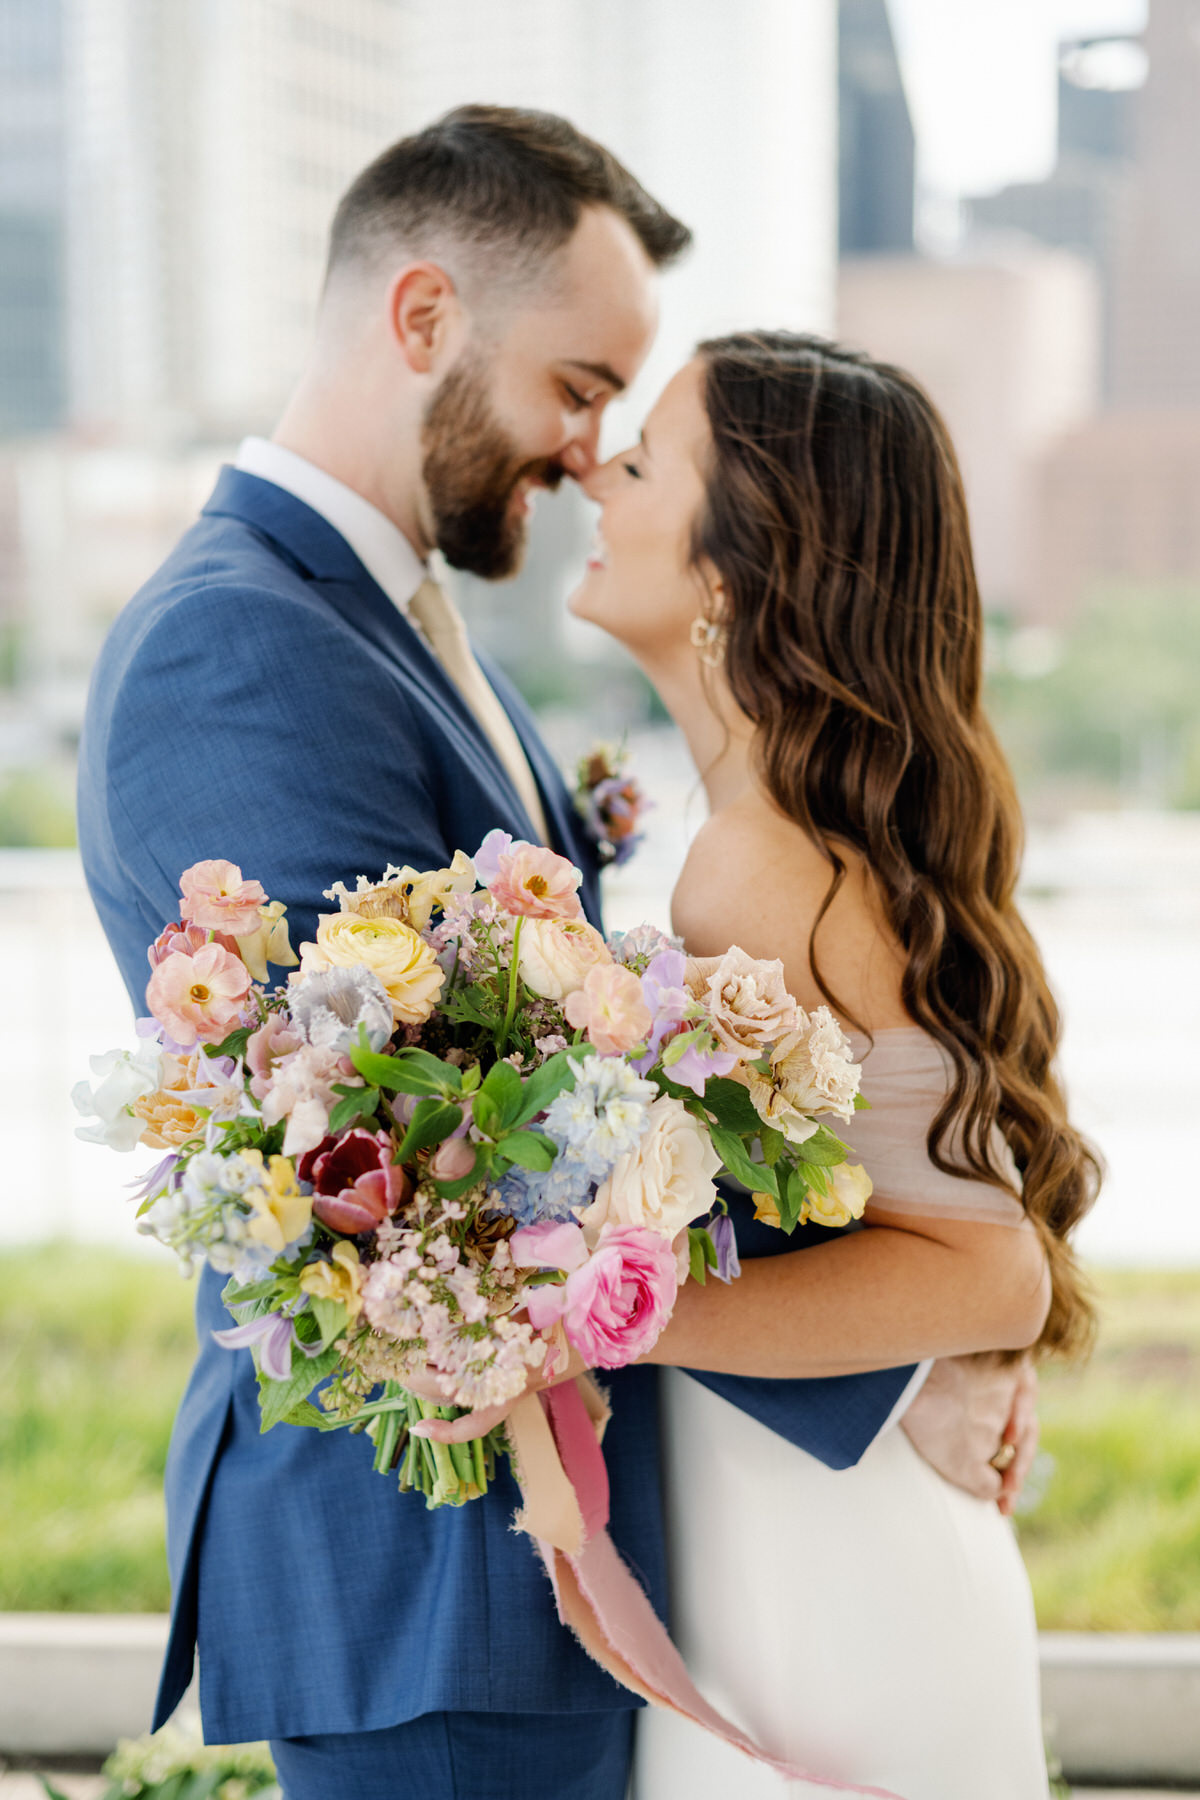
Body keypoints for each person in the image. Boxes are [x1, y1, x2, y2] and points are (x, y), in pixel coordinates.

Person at [77, 108, 1039, 1800]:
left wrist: (915, 1356)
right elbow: (405, 1155)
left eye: (626, 426)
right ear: (426, 319)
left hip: (581, 1552)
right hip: (433, 1570)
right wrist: (889, 1380)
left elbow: (625, 1130)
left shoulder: (415, 629)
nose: (589, 452)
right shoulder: (242, 644)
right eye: (582, 386)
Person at [565, 331, 1099, 1799]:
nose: (594, 477)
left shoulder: (762, 865)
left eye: (644, 460)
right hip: (811, 1548)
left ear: (738, 564)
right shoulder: (791, 842)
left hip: (826, 1587)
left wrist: (585, 1318)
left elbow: (992, 1276)